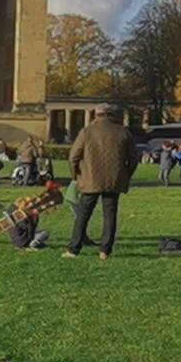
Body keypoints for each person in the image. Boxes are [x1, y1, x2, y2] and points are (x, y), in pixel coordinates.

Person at [63, 103, 136, 260]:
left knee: (83, 214)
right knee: (110, 214)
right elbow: (133, 159)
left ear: (96, 115)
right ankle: (105, 250)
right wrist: (125, 175)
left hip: (90, 180)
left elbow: (73, 157)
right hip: (114, 180)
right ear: (110, 114)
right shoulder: (123, 131)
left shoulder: (87, 131)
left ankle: (73, 249)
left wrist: (76, 176)